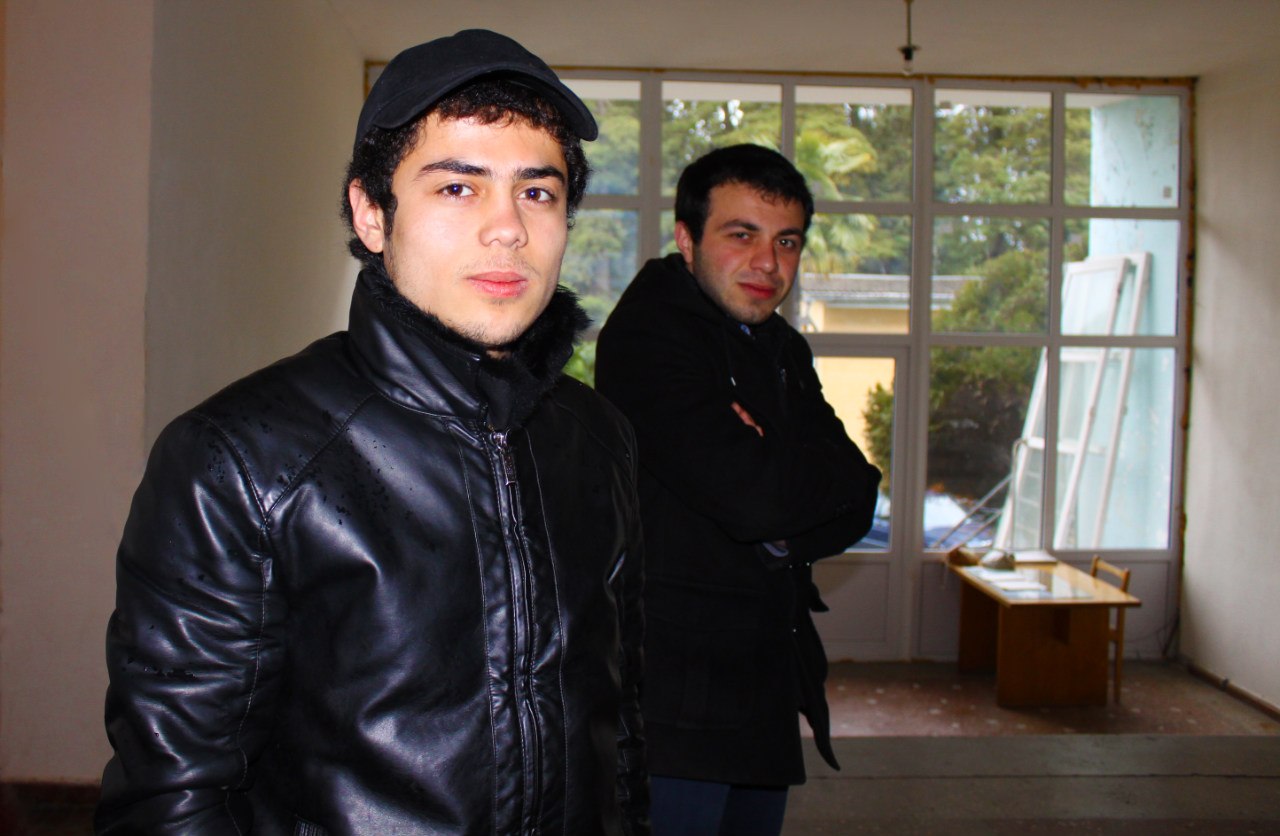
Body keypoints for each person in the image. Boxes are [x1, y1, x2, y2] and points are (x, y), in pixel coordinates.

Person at [96, 29, 647, 835]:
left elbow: (620, 726)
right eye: (457, 188)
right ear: (372, 213)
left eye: (537, 193)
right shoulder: (240, 460)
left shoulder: (598, 438)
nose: (507, 229)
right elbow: (174, 796)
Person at [595, 144, 881, 835]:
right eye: (741, 234)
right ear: (686, 237)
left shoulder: (780, 346)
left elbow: (861, 492)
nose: (768, 264)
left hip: (765, 685)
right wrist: (784, 490)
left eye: (787, 241)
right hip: (675, 703)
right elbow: (758, 500)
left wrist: (774, 487)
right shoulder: (648, 338)